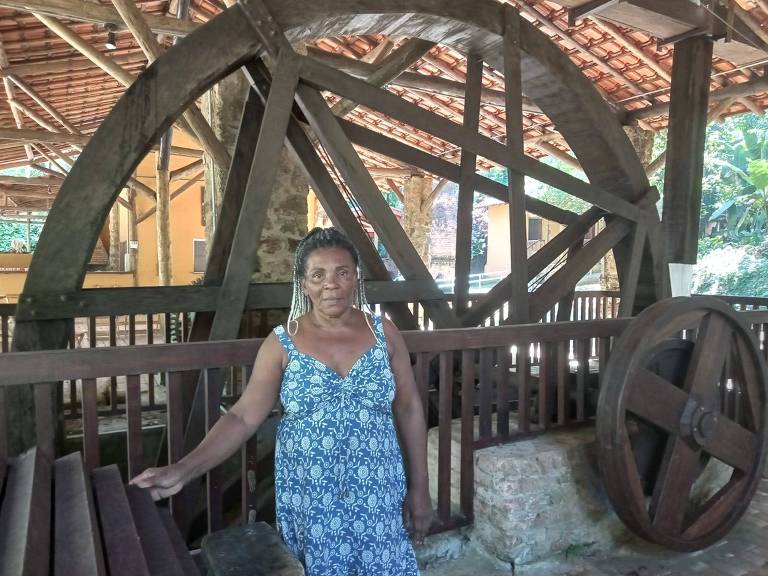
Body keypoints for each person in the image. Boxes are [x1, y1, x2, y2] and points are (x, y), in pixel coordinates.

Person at [131, 227, 433, 575]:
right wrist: (182, 470)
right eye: (318, 275)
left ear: (355, 278)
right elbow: (243, 417)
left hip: (378, 487)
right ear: (303, 283)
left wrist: (419, 489)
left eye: (342, 273)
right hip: (311, 493)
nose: (331, 284)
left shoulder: (385, 333)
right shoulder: (282, 343)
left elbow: (409, 408)